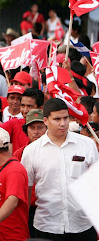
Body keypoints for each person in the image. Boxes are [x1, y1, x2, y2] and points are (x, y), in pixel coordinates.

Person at [21, 98, 99, 240]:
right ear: (46, 121)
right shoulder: (31, 151)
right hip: (47, 226)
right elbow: (26, 189)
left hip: (83, 225)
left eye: (66, 118)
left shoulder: (87, 145)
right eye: (57, 119)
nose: (63, 123)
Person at [13, 109, 47, 237]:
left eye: (40, 127)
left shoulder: (54, 153)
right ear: (26, 130)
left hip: (48, 208)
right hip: (28, 209)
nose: (36, 132)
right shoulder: (19, 154)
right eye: (32, 127)